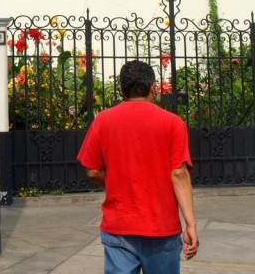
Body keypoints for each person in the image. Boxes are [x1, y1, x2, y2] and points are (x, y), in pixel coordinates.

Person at [77, 59, 199, 273]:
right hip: (161, 226)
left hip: (120, 225)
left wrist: (115, 183)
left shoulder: (103, 120)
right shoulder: (173, 123)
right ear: (153, 87)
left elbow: (92, 170)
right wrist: (191, 224)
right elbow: (179, 174)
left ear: (122, 89)